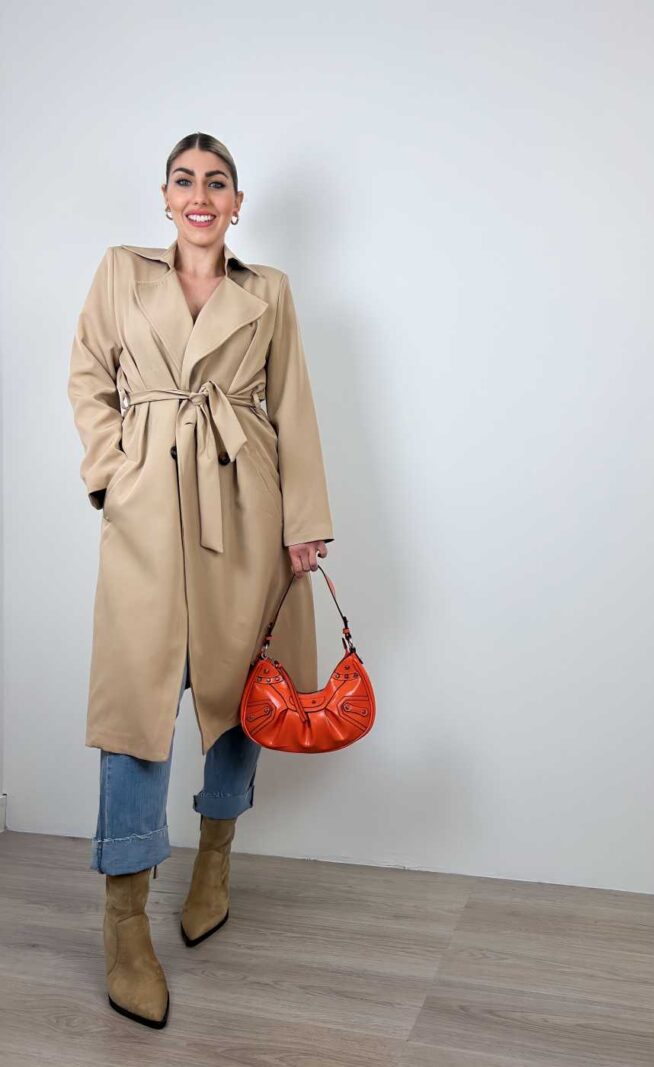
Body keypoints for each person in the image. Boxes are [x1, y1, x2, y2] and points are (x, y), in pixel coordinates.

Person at [67, 132, 335, 1028]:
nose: (200, 195)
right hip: (146, 500)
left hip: (243, 501)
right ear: (164, 195)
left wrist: (303, 521)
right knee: (135, 704)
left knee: (237, 688)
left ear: (237, 202)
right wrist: (113, 471)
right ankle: (124, 920)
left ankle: (215, 855)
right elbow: (87, 375)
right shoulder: (120, 271)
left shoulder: (270, 291)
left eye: (216, 182)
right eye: (185, 180)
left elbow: (291, 402)